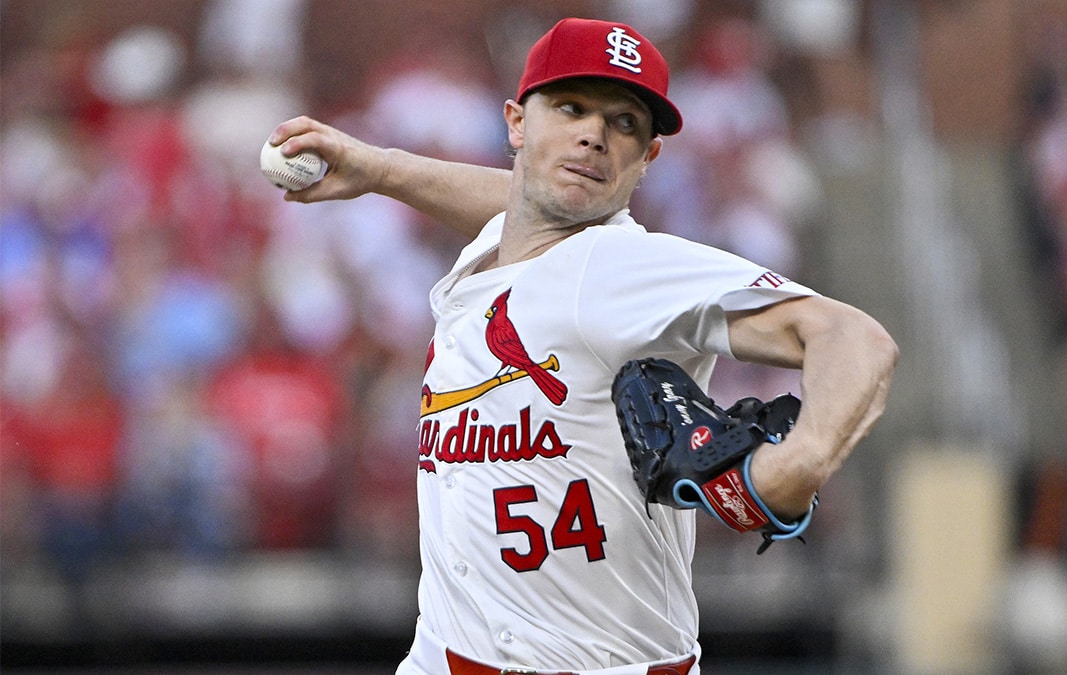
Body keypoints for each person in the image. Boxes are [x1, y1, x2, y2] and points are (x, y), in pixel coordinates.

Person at [269, 17, 898, 675]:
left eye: (625, 123)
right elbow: (512, 207)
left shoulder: (623, 268)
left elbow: (855, 338)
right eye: (571, 107)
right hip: (444, 655)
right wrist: (382, 168)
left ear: (648, 159)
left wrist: (801, 460)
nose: (594, 134)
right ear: (516, 123)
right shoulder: (497, 244)